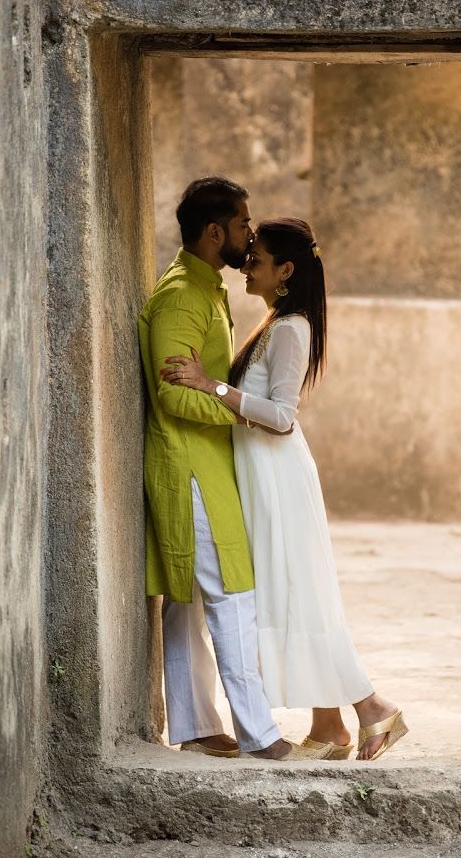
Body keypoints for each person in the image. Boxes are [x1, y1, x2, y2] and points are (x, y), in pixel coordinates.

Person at [160, 217, 408, 762]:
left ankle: (372, 707)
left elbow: (281, 418)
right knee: (294, 595)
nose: (247, 264)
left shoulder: (292, 328)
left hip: (279, 479)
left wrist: (210, 385)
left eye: (258, 259)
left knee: (301, 596)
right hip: (260, 476)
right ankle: (330, 727)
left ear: (286, 270)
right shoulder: (276, 321)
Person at [139, 179, 325, 762]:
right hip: (191, 463)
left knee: (192, 600)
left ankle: (195, 726)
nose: (250, 236)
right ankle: (259, 735)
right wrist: (238, 416)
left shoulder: (208, 291)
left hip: (210, 463)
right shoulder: (180, 298)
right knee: (228, 593)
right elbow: (173, 397)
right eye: (244, 224)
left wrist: (225, 404)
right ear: (214, 231)